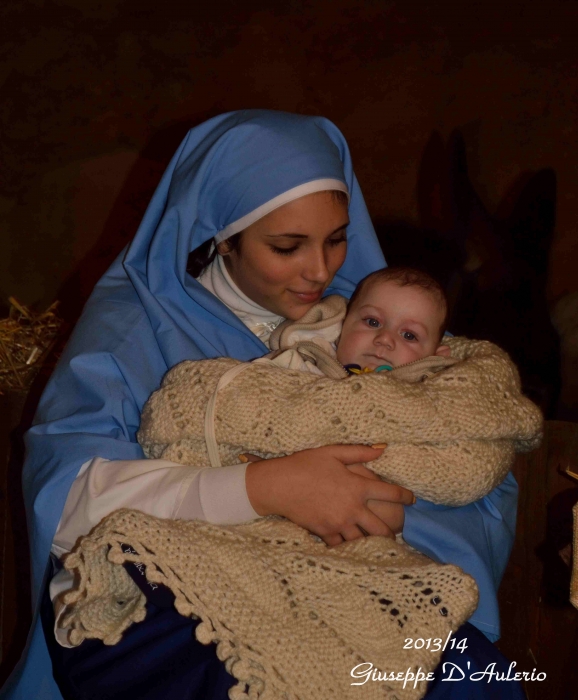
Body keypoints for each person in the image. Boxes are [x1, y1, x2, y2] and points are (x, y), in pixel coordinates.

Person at [2, 110, 523, 700]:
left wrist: (389, 510)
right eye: (286, 246)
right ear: (222, 236)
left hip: (355, 582)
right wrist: (264, 487)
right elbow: (67, 496)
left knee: (476, 682)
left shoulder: (374, 322)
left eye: (336, 238)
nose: (322, 270)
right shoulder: (133, 328)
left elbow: (472, 456)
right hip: (180, 596)